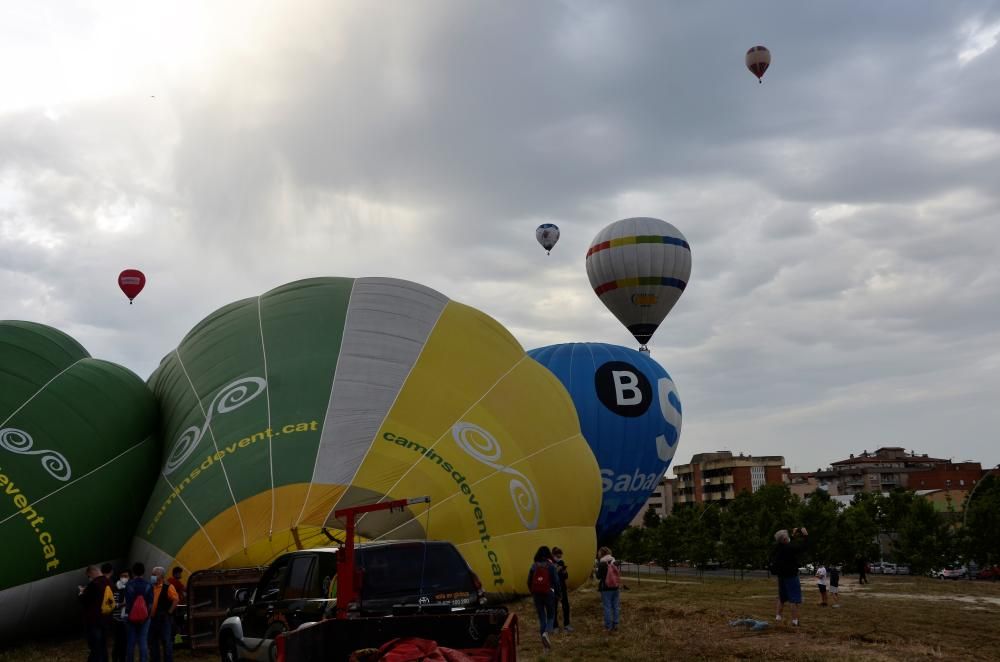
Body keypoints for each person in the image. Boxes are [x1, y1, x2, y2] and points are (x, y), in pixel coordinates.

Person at [770, 527, 808, 626]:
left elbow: (789, 544)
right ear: (784, 539)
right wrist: (805, 535)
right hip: (791, 576)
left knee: (782, 598)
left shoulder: (778, 547)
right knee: (793, 599)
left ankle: (778, 617)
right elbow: (802, 547)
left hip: (781, 576)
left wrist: (793, 535)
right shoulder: (789, 548)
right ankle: (795, 621)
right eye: (787, 537)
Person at [526, 546, 559, 650]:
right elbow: (556, 582)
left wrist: (532, 591)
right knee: (551, 614)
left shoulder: (534, 566)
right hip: (548, 593)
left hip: (537, 594)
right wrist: (558, 594)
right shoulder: (551, 566)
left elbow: (529, 581)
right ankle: (547, 633)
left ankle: (545, 643)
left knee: (542, 617)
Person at [79, 565, 111, 662]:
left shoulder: (94, 584)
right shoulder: (109, 582)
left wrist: (81, 593)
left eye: (89, 576)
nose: (89, 578)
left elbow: (85, 601)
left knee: (95, 647)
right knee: (103, 645)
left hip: (94, 620)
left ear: (92, 573)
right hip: (106, 619)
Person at [124, 562, 154, 662]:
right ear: (143, 572)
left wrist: (130, 614)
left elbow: (128, 603)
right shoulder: (149, 585)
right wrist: (145, 616)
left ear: (133, 572)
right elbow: (150, 603)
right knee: (143, 640)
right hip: (145, 618)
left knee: (131, 641)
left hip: (131, 617)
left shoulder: (129, 584)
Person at [149, 566, 180, 662]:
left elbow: (176, 600)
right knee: (153, 642)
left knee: (166, 642)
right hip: (152, 619)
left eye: (155, 574)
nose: (152, 576)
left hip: (164, 619)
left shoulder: (168, 587)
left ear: (161, 576)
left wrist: (169, 612)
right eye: (152, 574)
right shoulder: (151, 586)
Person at [596, 546, 621, 633]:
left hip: (606, 588)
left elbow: (598, 576)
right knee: (616, 606)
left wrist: (596, 570)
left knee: (607, 607)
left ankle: (608, 627)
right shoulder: (615, 561)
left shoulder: (602, 563)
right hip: (616, 587)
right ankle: (616, 624)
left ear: (601, 553)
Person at [111, 569, 131, 662]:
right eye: (122, 576)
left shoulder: (131, 588)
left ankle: (122, 659)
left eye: (126, 576)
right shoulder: (114, 588)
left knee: (125, 643)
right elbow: (110, 605)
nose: (124, 578)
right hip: (116, 620)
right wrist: (121, 605)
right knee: (117, 643)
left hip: (127, 620)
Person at [551, 546, 572, 633]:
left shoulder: (562, 562)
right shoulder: (549, 563)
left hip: (562, 588)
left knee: (566, 606)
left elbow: (566, 576)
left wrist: (564, 572)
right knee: (554, 607)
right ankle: (554, 626)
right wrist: (556, 570)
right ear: (553, 555)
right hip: (553, 589)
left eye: (560, 556)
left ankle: (567, 625)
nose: (559, 558)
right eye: (558, 556)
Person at [167, 567, 186, 646]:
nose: (181, 575)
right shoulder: (176, 582)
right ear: (176, 573)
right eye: (180, 573)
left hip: (171, 606)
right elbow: (185, 588)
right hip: (177, 607)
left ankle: (173, 639)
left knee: (174, 624)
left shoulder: (169, 581)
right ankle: (178, 641)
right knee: (178, 624)